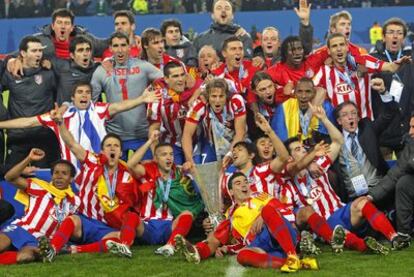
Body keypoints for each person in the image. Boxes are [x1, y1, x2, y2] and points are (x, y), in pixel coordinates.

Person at [281, 104, 406, 253]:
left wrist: (324, 119)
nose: (303, 150)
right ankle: (364, 246)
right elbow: (295, 168)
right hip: (324, 223)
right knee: (338, 230)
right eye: (297, 149)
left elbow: (338, 141)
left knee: (362, 202)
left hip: (341, 211)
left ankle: (394, 238)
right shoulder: (288, 183)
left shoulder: (320, 165)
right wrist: (311, 157)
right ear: (289, 158)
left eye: (303, 147)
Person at [175, 172, 318, 273]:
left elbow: (284, 210)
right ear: (231, 192)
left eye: (246, 182)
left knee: (268, 210)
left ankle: (292, 254)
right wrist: (226, 249)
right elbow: (224, 239)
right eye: (238, 183)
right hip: (260, 244)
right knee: (242, 256)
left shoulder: (262, 196)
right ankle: (197, 252)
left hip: (280, 232)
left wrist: (263, 215)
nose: (244, 185)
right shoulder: (229, 214)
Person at [0, 81, 160, 171]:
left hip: (101, 168)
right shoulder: (59, 116)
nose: (84, 95)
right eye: (80, 92)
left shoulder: (99, 109)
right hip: (73, 171)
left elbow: (120, 106)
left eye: (87, 92)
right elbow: (28, 122)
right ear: (72, 97)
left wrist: (141, 99)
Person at [39, 119, 135, 261]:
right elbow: (71, 143)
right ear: (102, 151)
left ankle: (74, 249)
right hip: (85, 221)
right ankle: (51, 250)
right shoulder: (92, 160)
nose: (112, 148)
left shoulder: (127, 176)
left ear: (121, 152)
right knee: (71, 220)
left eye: (116, 146)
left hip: (106, 227)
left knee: (120, 239)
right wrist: (60, 124)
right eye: (108, 146)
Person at [122, 131, 202, 257]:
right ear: (156, 158)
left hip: (168, 227)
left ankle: (170, 246)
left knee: (187, 215)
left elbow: (198, 191)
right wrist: (150, 142)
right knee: (131, 216)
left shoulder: (178, 173)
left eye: (171, 154)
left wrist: (192, 171)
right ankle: (124, 246)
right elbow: (130, 165)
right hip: (147, 226)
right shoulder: (148, 170)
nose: (169, 157)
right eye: (164, 154)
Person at [91, 32, 163, 160]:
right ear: (110, 48)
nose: (120, 50)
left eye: (123, 45)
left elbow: (168, 80)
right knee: (116, 177)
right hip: (114, 137)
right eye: (116, 46)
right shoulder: (101, 70)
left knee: (144, 176)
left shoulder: (143, 66)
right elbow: (91, 105)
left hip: (142, 134)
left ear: (130, 47)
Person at [0, 149, 80, 265]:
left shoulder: (75, 201)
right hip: (22, 228)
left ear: (71, 179)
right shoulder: (39, 187)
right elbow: (10, 178)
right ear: (51, 176)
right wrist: (29, 159)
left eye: (64, 173)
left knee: (24, 258)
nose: (59, 176)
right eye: (56, 173)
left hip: (40, 239)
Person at [313, 32, 410, 120]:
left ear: (347, 47)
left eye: (342, 45)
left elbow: (389, 67)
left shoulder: (363, 62)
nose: (339, 49)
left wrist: (397, 64)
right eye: (334, 46)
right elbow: (310, 92)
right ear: (329, 51)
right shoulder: (324, 72)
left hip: (365, 127)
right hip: (340, 129)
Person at [1, 36, 60, 171]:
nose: (38, 54)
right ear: (22, 53)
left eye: (40, 50)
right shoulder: (10, 74)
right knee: (12, 177)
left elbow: (61, 94)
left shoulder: (49, 73)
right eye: (34, 51)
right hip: (18, 138)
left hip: (44, 136)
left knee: (45, 179)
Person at [333, 87, 397, 201]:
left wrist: (383, 92)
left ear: (358, 117)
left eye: (354, 113)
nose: (350, 117)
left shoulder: (368, 128)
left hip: (378, 187)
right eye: (345, 115)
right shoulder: (334, 141)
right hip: (353, 196)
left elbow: (389, 113)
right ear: (339, 121)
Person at [370, 17, 414, 159]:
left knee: (407, 176)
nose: (395, 36)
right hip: (383, 131)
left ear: (404, 37)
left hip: (406, 131)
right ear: (383, 36)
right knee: (384, 177)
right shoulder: (373, 60)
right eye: (391, 32)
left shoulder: (411, 61)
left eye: (399, 33)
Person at [368, 113, 414, 248]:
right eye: (410, 127)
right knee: (404, 182)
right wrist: (372, 196)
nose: (410, 132)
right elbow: (396, 173)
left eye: (413, 128)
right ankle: (404, 234)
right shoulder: (411, 146)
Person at [182, 78, 247, 165]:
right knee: (202, 170)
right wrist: (189, 161)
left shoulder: (236, 101)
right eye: (213, 96)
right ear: (207, 96)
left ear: (226, 96)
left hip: (236, 140)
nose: (217, 100)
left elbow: (240, 132)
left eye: (221, 96)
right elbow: (187, 135)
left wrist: (231, 154)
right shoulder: (198, 106)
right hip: (211, 143)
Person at [148, 61, 201, 165]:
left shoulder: (197, 89)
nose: (181, 79)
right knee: (175, 177)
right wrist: (156, 156)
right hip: (172, 144)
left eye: (182, 75)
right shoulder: (157, 96)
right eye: (176, 76)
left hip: (198, 143)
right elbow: (153, 129)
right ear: (166, 79)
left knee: (199, 175)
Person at [271, 77, 334, 144]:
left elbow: (330, 137)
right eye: (299, 91)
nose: (303, 96)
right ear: (294, 93)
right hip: (291, 151)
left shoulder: (325, 107)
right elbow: (279, 138)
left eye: (308, 91)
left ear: (314, 93)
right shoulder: (284, 107)